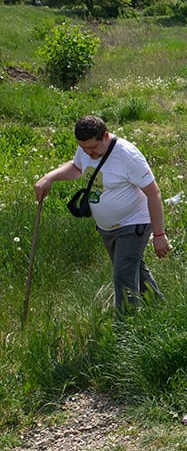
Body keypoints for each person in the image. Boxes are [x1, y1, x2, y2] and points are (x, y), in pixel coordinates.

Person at [35, 116, 172, 313]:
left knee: (123, 276)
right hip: (107, 228)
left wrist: (159, 235)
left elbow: (153, 193)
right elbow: (77, 168)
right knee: (133, 270)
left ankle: (126, 325)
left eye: (93, 148)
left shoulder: (128, 156)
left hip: (134, 223)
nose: (89, 153)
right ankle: (158, 308)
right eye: (84, 148)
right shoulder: (86, 149)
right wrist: (50, 177)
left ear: (105, 136)